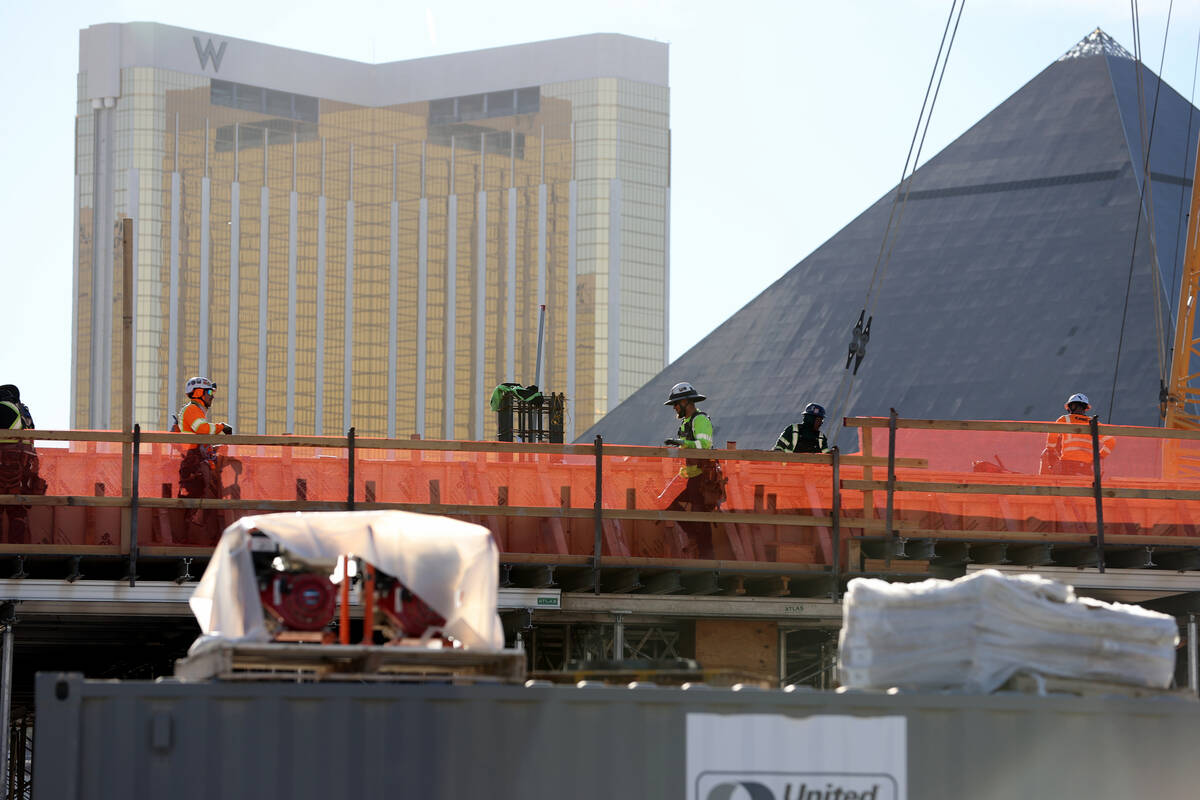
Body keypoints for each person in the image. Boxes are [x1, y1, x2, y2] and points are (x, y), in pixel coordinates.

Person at [661, 382, 724, 559]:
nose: (674, 407)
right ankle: (694, 536)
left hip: (701, 479)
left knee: (702, 523)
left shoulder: (700, 420)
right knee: (665, 501)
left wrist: (682, 443)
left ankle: (707, 561)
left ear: (686, 402)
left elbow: (704, 445)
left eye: (676, 403)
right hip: (688, 477)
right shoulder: (686, 423)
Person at [176, 376, 233, 543]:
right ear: (198, 392)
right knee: (198, 503)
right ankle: (194, 540)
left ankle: (199, 537)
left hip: (195, 462)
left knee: (202, 502)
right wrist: (222, 427)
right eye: (209, 392)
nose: (211, 396)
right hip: (193, 464)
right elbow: (201, 429)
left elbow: (202, 433)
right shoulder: (192, 409)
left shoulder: (196, 411)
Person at [0, 384, 46, 543]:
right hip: (23, 468)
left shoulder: (4, 408)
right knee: (17, 512)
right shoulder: (24, 414)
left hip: (5, 463)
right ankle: (18, 554)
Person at [1041, 393, 1114, 477]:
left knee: (1066, 487)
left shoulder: (1065, 419)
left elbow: (1052, 435)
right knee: (1085, 488)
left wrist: (1050, 452)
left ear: (1071, 407)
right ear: (1085, 408)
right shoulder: (1093, 422)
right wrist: (1099, 457)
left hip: (1067, 464)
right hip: (1086, 466)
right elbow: (1111, 442)